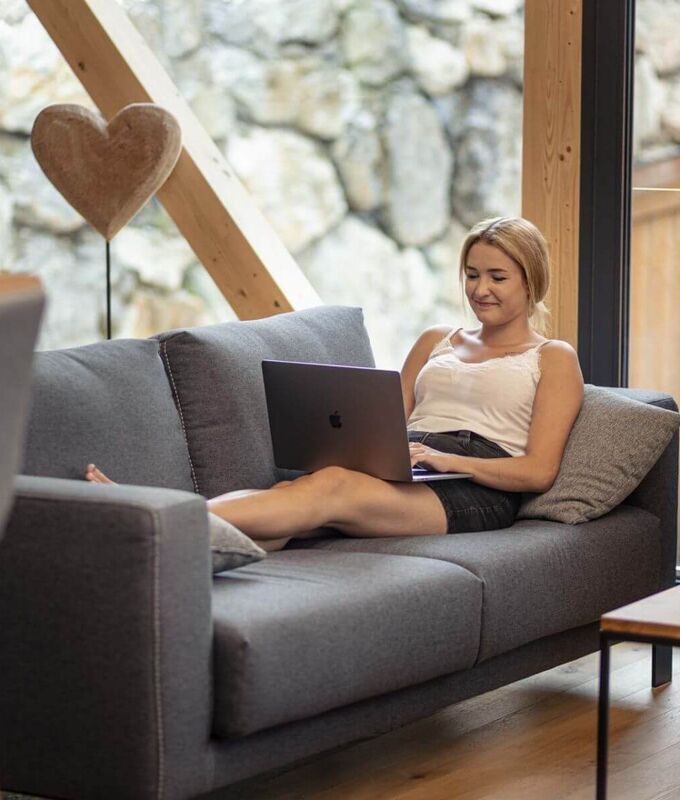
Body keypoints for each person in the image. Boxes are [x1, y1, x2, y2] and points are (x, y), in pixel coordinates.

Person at [86, 216, 584, 552]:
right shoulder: (436, 339)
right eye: (472, 274)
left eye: (497, 277)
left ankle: (151, 517)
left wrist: (450, 462)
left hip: (475, 487)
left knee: (330, 488)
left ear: (530, 281)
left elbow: (538, 471)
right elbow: (387, 420)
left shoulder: (552, 357)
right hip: (412, 465)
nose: (480, 289)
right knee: (295, 501)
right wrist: (359, 444)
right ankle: (160, 537)